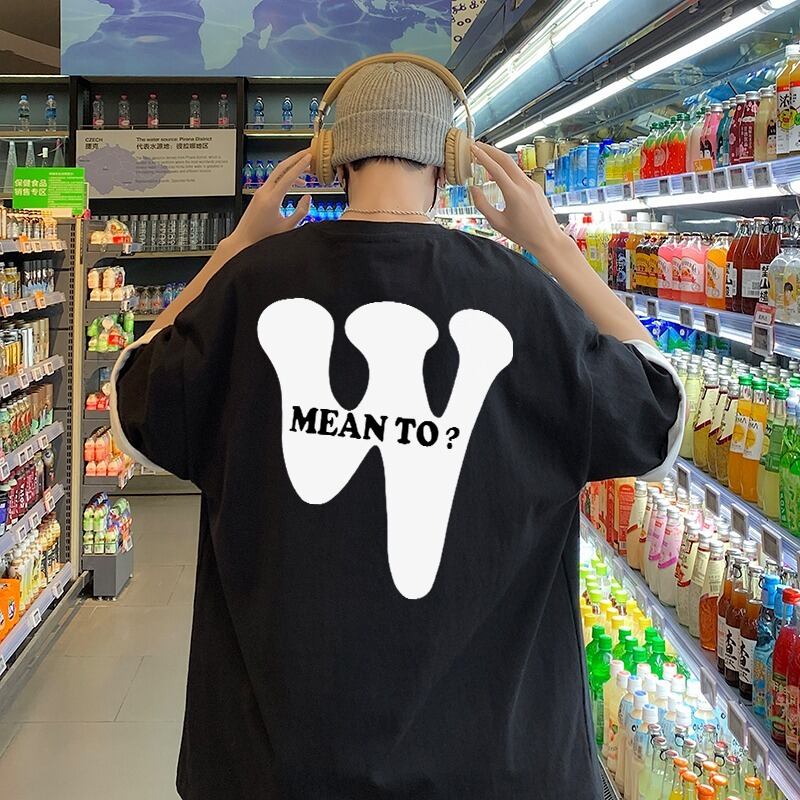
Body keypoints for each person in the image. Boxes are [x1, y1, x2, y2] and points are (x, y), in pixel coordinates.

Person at [111, 57, 685, 800]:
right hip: (492, 764)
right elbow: (659, 416)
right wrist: (551, 245)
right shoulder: (525, 299)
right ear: (449, 163)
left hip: (277, 761)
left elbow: (132, 396)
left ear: (332, 157)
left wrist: (233, 250)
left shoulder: (251, 287)